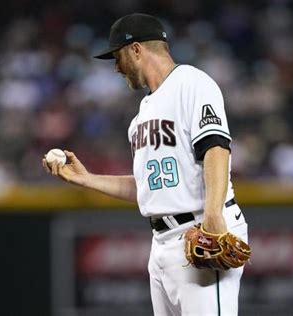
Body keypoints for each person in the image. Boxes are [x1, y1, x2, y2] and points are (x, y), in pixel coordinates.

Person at [43, 13, 248, 316]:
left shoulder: (191, 82)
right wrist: (86, 179)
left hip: (201, 231)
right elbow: (147, 187)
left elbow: (216, 148)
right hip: (162, 245)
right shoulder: (141, 116)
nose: (116, 67)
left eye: (118, 56)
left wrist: (213, 215)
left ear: (136, 49)